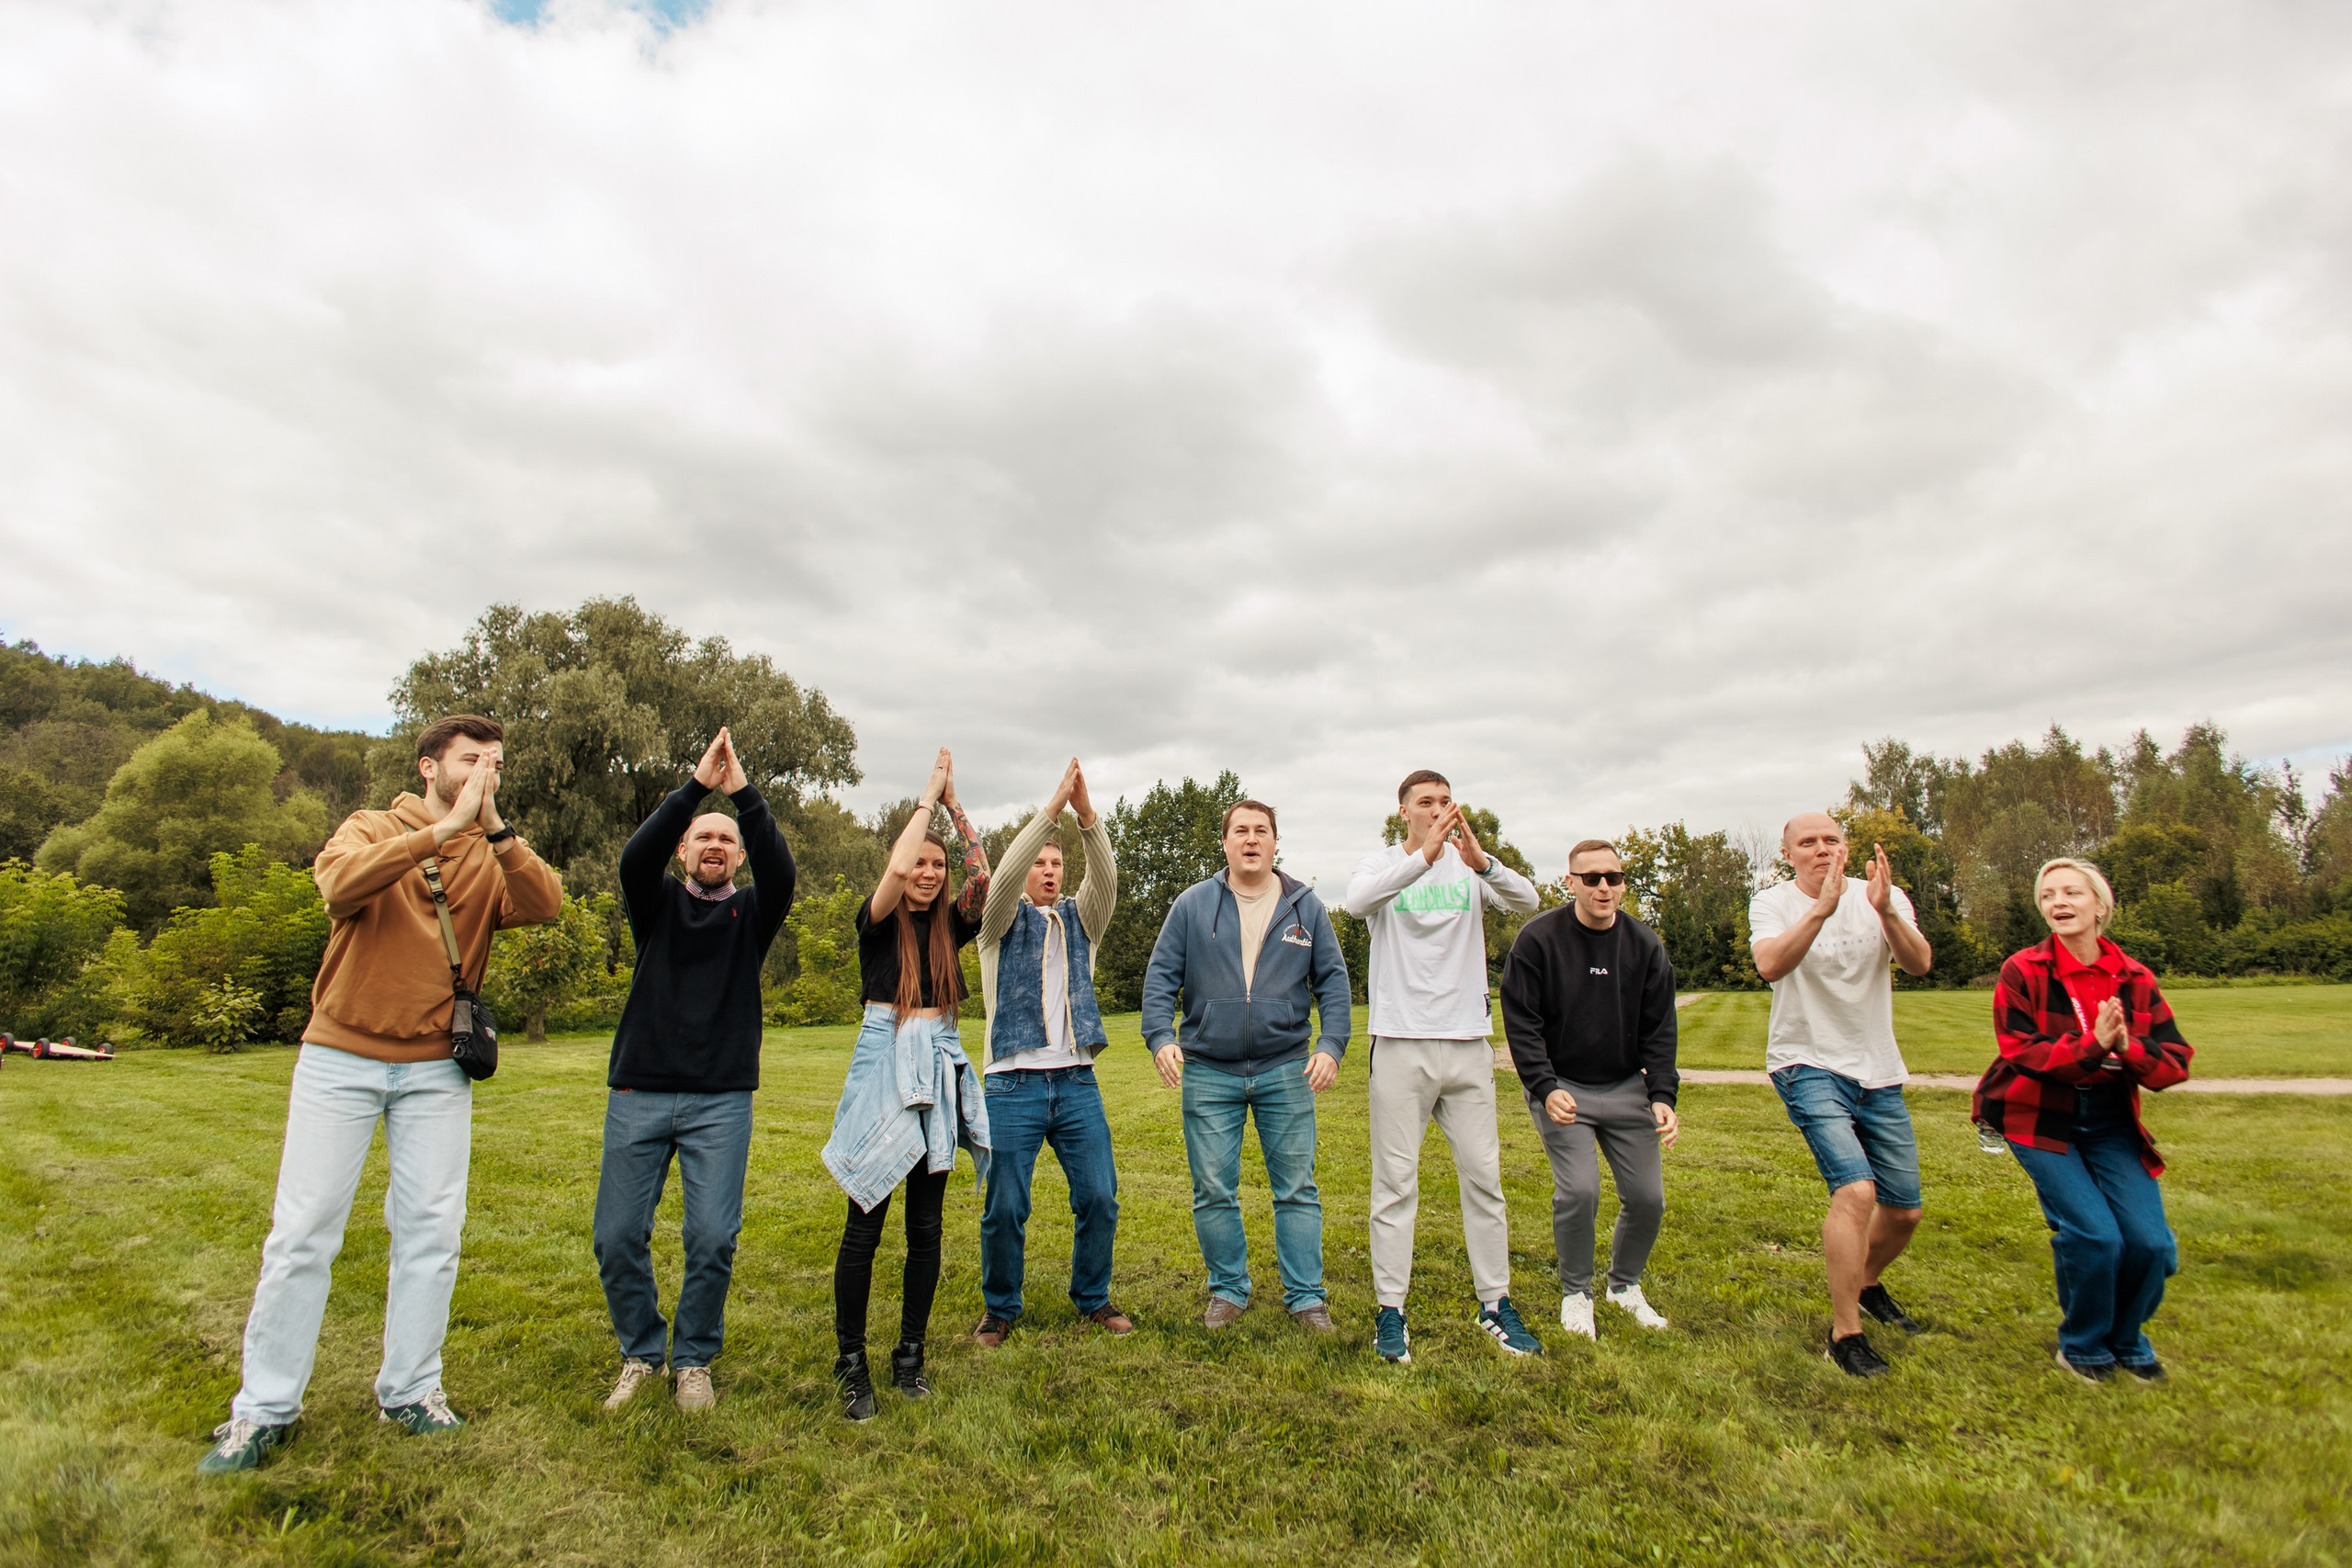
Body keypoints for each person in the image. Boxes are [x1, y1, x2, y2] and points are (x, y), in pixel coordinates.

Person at [198, 715, 563, 1475]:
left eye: (496, 761)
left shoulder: (490, 853)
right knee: (304, 1232)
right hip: (341, 1056)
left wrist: (491, 830)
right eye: (472, 759)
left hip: (438, 1069)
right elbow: (337, 886)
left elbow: (545, 902)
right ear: (430, 767)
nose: (487, 769)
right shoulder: (370, 826)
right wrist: (439, 832)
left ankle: (411, 1389)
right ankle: (263, 1409)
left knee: (431, 1231)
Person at [594, 728, 796, 1415]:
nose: (715, 845)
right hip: (639, 1090)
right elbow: (634, 854)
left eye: (726, 839)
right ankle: (642, 1353)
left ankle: (694, 1361)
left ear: (738, 854)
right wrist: (695, 788)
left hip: (720, 1098)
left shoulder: (751, 913)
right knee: (616, 1234)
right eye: (702, 837)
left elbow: (783, 870)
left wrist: (740, 793)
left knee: (712, 1236)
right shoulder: (655, 906)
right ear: (683, 849)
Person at [1343, 770, 1544, 1363]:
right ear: (1403, 810)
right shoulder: (1379, 866)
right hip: (1401, 1042)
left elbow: (1527, 901)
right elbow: (1357, 905)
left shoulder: (1470, 866)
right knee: (1395, 1183)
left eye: (1443, 802)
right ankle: (1390, 1309)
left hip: (1466, 1042)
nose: (1435, 810)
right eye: (1423, 803)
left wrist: (1480, 862)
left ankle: (1495, 1301)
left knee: (1484, 1177)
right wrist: (1422, 857)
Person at [820, 749, 991, 1421]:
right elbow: (892, 867)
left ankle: (910, 1355)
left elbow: (984, 878)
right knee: (865, 1219)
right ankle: (851, 1360)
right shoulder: (879, 919)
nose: (926, 872)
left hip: (940, 1056)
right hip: (884, 1056)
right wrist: (926, 797)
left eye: (936, 864)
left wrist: (956, 808)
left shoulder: (954, 922)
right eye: (919, 861)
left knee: (926, 1225)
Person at [1975, 859, 2191, 1383]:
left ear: (2100, 905)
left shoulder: (2134, 977)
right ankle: (2083, 1346)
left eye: (2072, 892)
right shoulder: (2023, 970)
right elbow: (2021, 1052)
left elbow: (2174, 1062)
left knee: (2152, 1243)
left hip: (2111, 1120)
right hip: (2039, 1116)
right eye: (2048, 895)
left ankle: (2127, 1339)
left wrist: (2128, 1047)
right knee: (2095, 1236)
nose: (2059, 903)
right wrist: (2092, 1046)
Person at [1141, 799, 1352, 1332]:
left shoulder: (1306, 907)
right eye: (1241, 830)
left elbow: (1333, 981)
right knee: (1213, 1187)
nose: (1251, 839)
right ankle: (1228, 1290)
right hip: (1209, 1070)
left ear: (1276, 842)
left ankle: (1306, 1297)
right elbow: (1161, 976)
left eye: (1262, 830)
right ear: (1226, 843)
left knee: (1297, 1187)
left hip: (1286, 1067)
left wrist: (1331, 1045)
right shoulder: (1191, 905)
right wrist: (1161, 1036)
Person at [1749, 811, 1934, 1379]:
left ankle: (1868, 1281)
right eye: (1808, 842)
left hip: (1877, 1068)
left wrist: (1883, 911)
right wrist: (1821, 910)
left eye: (1832, 840)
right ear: (1789, 854)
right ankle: (1845, 1332)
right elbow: (1770, 965)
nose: (1822, 849)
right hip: (1805, 1062)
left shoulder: (1883, 895)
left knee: (1903, 1211)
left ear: (1847, 849)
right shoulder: (1773, 902)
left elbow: (1919, 963)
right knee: (1856, 1192)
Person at [971, 759, 1129, 1347]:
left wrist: (1087, 817)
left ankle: (1092, 1297)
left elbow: (1106, 879)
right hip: (1012, 1084)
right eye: (1041, 861)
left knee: (1099, 1195)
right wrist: (1050, 809)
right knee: (1006, 1205)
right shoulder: (996, 923)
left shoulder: (1081, 921)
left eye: (1056, 863)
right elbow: (1004, 873)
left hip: (1076, 1082)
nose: (1048, 870)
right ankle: (1000, 1308)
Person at [1500, 839, 1679, 1342]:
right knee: (1580, 1190)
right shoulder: (1539, 940)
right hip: (1564, 1089)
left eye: (1613, 878)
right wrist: (1544, 1085)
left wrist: (1662, 1094)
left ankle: (1624, 1287)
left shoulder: (1644, 945)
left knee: (1647, 1198)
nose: (1604, 887)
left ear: (1623, 884)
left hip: (1626, 1088)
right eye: (1592, 878)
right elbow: (1523, 1023)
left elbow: (1659, 1028)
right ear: (1571, 883)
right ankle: (1576, 1294)